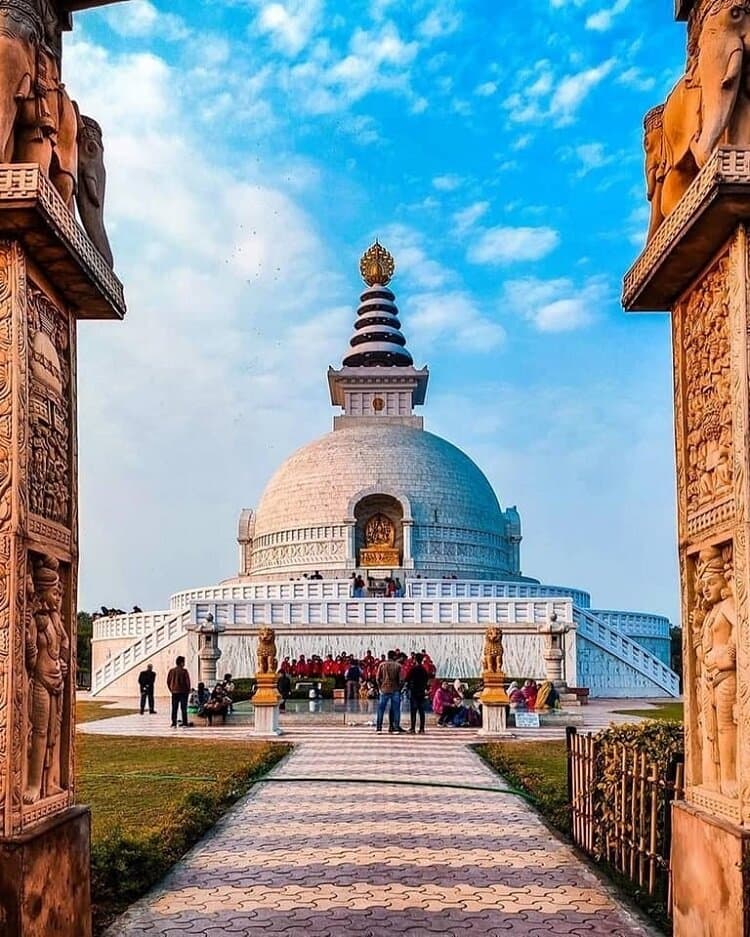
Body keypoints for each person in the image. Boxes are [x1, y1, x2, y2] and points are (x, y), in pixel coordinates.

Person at [376, 650, 404, 733]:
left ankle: (379, 728)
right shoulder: (398, 666)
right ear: (394, 657)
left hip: (384, 690)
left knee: (381, 709)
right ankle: (395, 728)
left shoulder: (382, 665)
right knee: (396, 710)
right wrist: (399, 689)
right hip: (395, 689)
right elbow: (401, 680)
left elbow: (377, 678)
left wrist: (380, 688)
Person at [406, 653, 429, 734]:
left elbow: (407, 678)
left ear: (415, 659)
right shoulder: (424, 670)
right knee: (421, 711)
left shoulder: (413, 669)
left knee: (413, 710)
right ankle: (422, 729)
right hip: (421, 692)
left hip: (414, 692)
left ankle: (413, 728)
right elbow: (427, 680)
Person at [166, 655, 192, 728]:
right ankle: (184, 723)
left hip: (174, 692)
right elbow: (187, 682)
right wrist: (188, 689)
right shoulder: (184, 671)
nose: (184, 664)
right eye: (183, 662)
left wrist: (171, 689)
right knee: (183, 708)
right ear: (181, 663)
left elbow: (168, 681)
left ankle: (174, 723)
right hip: (183, 692)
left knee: (174, 708)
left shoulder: (171, 671)